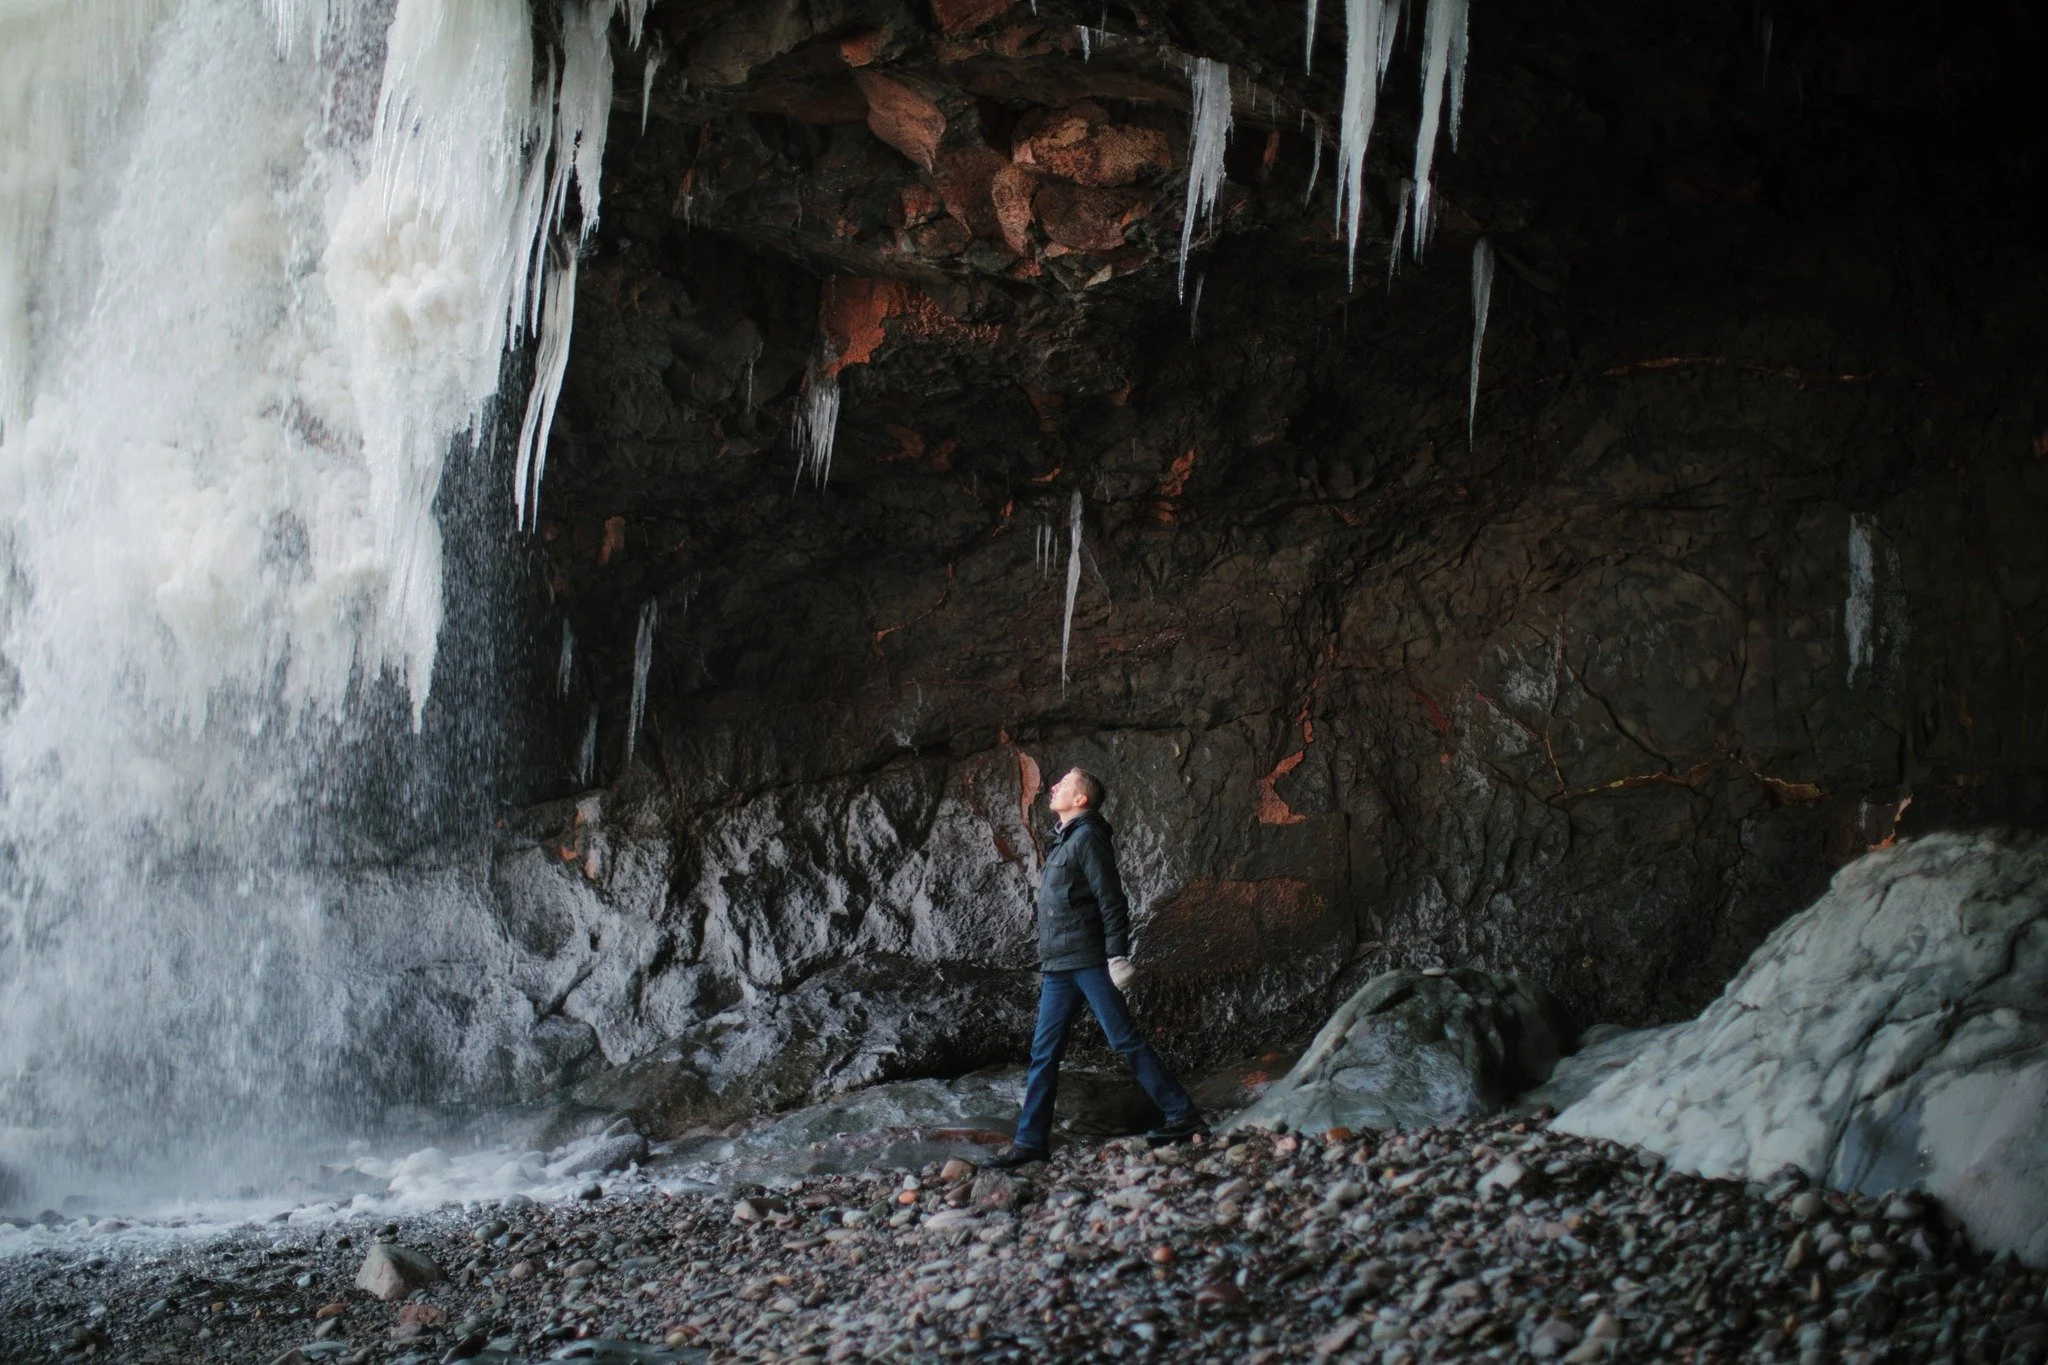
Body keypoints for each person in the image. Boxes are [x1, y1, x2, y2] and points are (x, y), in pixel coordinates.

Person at [983, 766, 1205, 1168]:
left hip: (1089, 962)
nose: (1054, 787)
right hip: (1058, 967)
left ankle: (1183, 1115)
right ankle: (1031, 1144)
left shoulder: (1087, 837)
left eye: (1064, 784)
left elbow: (1112, 900)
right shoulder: (1063, 841)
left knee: (1123, 1039)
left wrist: (1116, 955)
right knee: (1043, 1053)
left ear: (1081, 799)